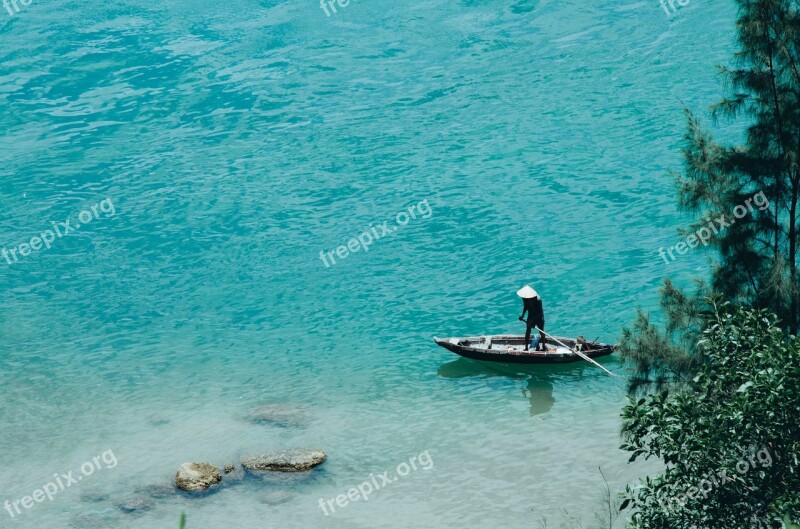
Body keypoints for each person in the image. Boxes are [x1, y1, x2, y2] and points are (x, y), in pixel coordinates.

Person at [517, 285, 546, 351]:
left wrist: (532, 320)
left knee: (541, 331)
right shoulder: (524, 298)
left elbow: (540, 312)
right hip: (531, 315)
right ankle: (526, 347)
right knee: (528, 331)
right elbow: (525, 307)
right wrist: (522, 315)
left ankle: (544, 346)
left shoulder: (538, 299)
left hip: (538, 316)